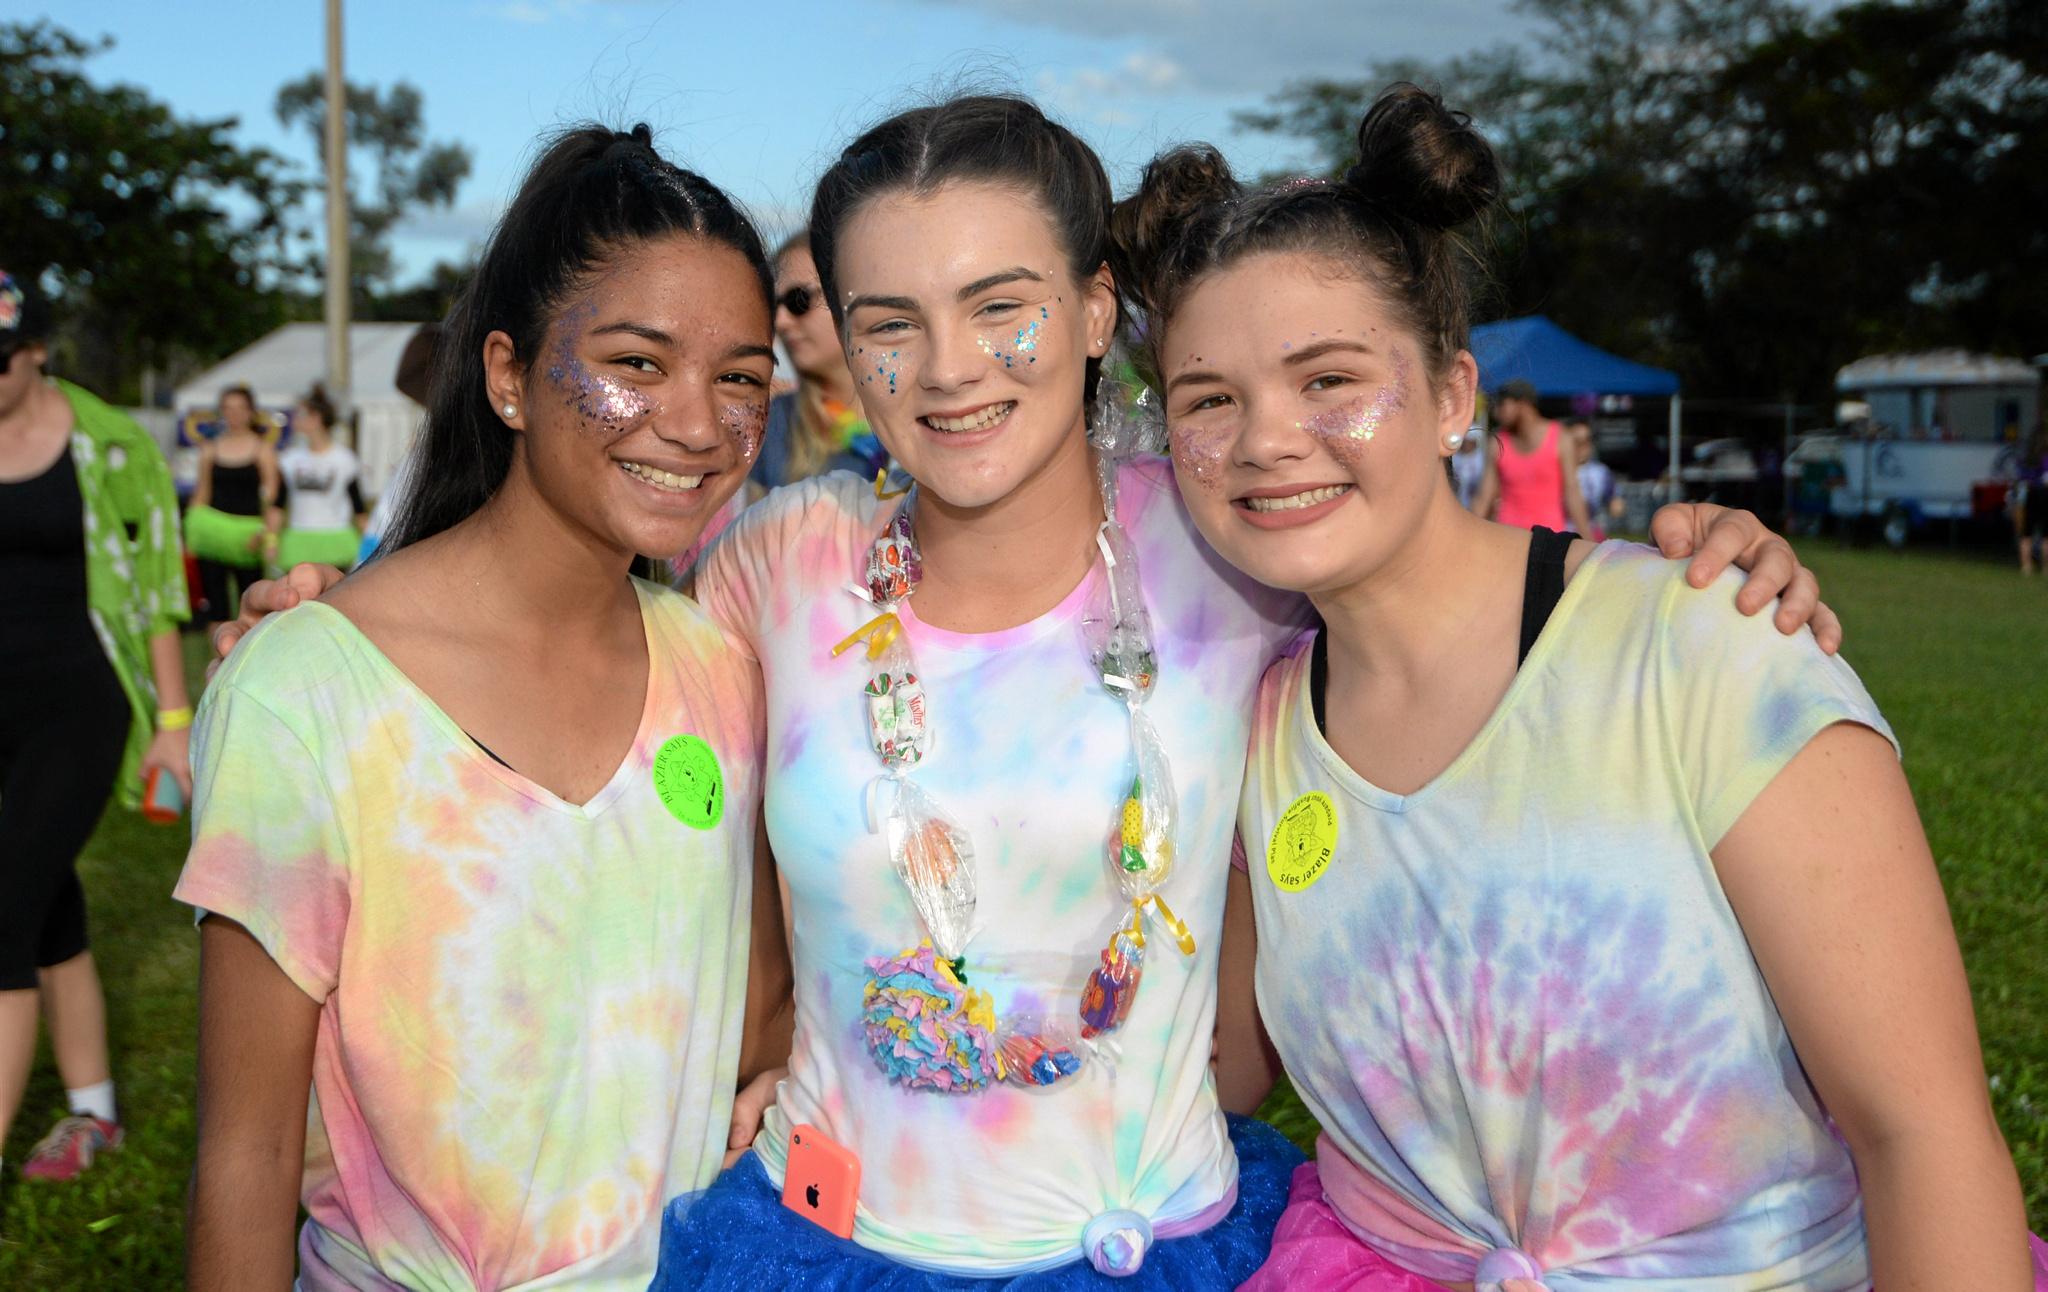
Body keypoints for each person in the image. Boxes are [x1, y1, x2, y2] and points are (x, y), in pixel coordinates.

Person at [220, 97, 1830, 1289]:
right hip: (821, 1239)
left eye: (1002, 306)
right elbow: (572, 637)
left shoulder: (1233, 543)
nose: (954, 369)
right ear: (842, 347)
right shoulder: (774, 566)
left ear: (1090, 315)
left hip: (1162, 1236)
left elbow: (1451, 597)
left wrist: (1694, 555)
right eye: (890, 325)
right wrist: (345, 625)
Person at [1115, 84, 2048, 1290]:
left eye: (1328, 379)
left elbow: (1918, 1133)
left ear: (1453, 396)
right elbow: (1216, 1069)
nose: (1264, 440)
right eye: (1208, 400)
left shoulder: (1701, 638)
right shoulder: (1253, 727)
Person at [178, 124, 792, 1290]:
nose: (701, 424)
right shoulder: (309, 689)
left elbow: (756, 1026)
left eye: (741, 377)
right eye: (639, 363)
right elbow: (244, 1150)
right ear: (508, 375)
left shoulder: (726, 669)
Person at [0, 266, 193, 1181]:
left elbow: (157, 588)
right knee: (45, 910)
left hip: (79, 702)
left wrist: (173, 717)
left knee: (4, 908)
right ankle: (91, 1114)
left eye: (2, 359)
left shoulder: (111, 444)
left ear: (36, 351)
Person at [753, 229, 887, 488]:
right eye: (772, 306)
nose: (780, 321)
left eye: (799, 300)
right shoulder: (774, 425)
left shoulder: (924, 411)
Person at [185, 383, 281, 622]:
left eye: (240, 408)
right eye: (228, 408)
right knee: (215, 604)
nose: (234, 414)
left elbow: (272, 499)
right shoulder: (210, 449)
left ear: (251, 412)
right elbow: (202, 494)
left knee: (251, 602)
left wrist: (268, 536)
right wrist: (189, 533)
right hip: (213, 534)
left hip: (248, 536)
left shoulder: (263, 450)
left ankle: (247, 656)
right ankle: (218, 655)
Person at [1471, 377, 1593, 535]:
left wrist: (1588, 538)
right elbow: (1483, 497)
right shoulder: (1497, 444)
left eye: (1502, 405)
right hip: (1508, 540)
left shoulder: (1561, 438)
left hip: (1549, 541)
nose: (1497, 413)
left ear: (1522, 405)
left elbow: (1572, 492)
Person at [277, 383, 367, 572]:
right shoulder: (290, 460)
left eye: (301, 415)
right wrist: (271, 539)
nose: (295, 419)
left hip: (335, 539)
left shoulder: (344, 459)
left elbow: (359, 507)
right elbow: (278, 504)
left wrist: (370, 545)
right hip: (299, 540)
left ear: (316, 418)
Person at [1568, 418, 1617, 539]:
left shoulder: (1601, 472)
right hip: (1563, 532)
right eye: (1577, 442)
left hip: (1593, 532)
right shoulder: (1556, 471)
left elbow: (1613, 501)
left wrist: (1615, 505)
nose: (1582, 447)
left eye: (1587, 441)